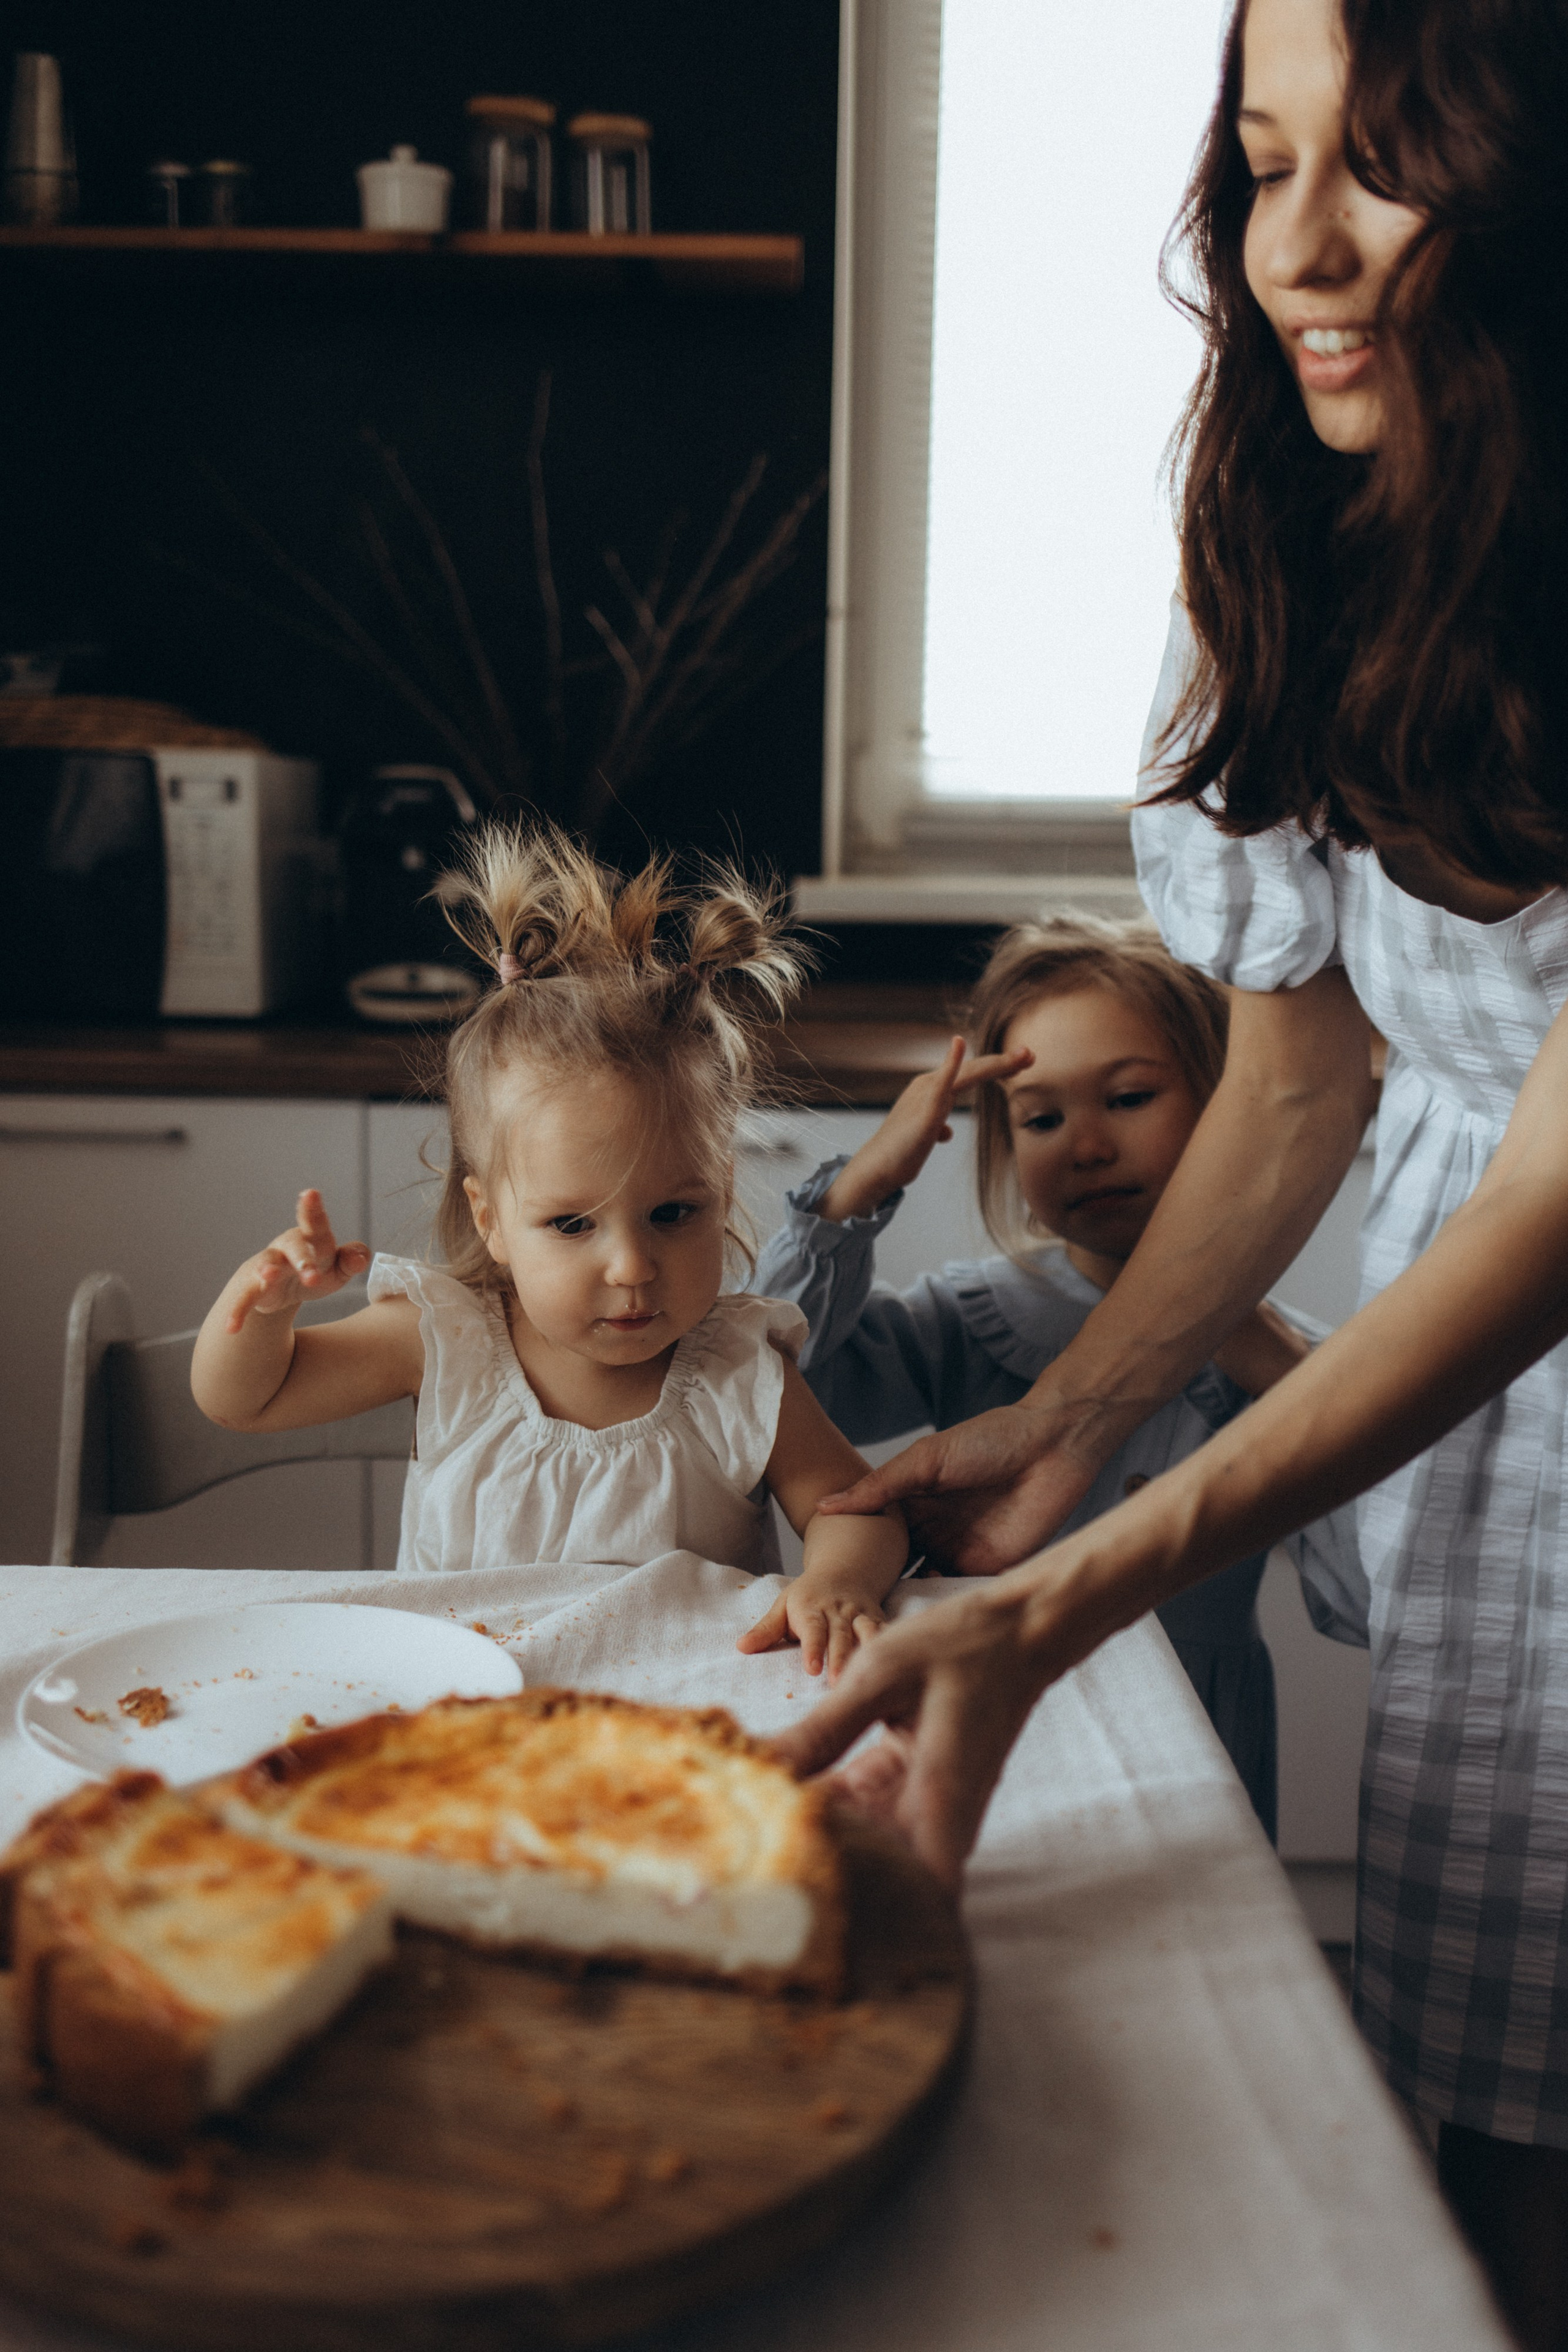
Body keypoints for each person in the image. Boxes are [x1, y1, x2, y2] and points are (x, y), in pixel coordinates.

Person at [774, 0, 1568, 2338]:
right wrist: (1072, 1414)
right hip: (1487, 1407)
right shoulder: (1306, 533)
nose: (1294, 244)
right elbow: (1305, 1074)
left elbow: (1549, 1197)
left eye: (1384, 166)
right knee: (1486, 2075)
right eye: (1258, 156)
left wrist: (1080, 1579)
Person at [192, 825, 906, 1672]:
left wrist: (838, 1580)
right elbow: (247, 1399)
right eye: (573, 1225)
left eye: (675, 1213)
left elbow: (858, 1508)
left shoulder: (738, 1372)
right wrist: (262, 1306)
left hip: (684, 1718)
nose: (633, 1267)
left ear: (722, 1189)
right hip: (460, 1711)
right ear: (490, 1219)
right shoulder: (444, 1340)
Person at [745, 914, 1363, 1836]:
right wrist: (853, 1195)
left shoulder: (1300, 1365)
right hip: (996, 1722)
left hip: (1200, 1741)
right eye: (1042, 1116)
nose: (1085, 1144)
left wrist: (1275, 1367)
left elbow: (1367, 1595)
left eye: (1128, 1098)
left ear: (1231, 1105)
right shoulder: (971, 1319)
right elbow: (773, 1386)